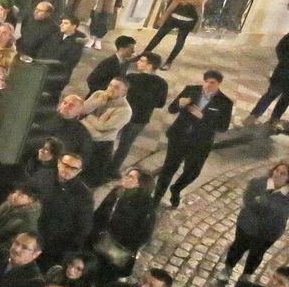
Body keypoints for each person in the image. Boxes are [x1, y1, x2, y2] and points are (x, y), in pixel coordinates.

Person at [156, 69, 233, 208]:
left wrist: (204, 118)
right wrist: (180, 104)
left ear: (218, 84)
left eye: (212, 83)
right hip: (179, 136)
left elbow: (223, 127)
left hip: (200, 143)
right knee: (168, 168)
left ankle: (176, 188)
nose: (208, 85)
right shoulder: (191, 90)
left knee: (192, 172)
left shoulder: (225, 102)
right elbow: (172, 109)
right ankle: (156, 197)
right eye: (206, 81)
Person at [92, 168, 159, 284]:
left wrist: (121, 243)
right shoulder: (117, 192)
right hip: (97, 240)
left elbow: (144, 235)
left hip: (115, 250)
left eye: (130, 177)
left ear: (139, 184)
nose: (125, 177)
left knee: (103, 277)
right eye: (127, 174)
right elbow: (101, 211)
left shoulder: (145, 206)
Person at [143, 0, 216, 69]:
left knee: (180, 41)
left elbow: (200, 0)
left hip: (190, 17)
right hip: (174, 13)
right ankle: (144, 55)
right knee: (159, 35)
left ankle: (169, 62)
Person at [225, 162, 289, 277]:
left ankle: (246, 275)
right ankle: (227, 269)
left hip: (268, 233)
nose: (277, 174)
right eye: (277, 170)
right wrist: (265, 203)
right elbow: (248, 201)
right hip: (247, 226)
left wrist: (262, 202)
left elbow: (280, 213)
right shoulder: (257, 183)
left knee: (256, 255)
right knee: (237, 247)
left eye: (283, 174)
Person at [112, 52, 169, 170]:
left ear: (149, 65)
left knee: (109, 139)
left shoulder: (131, 78)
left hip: (122, 114)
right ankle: (113, 168)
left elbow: (119, 95)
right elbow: (160, 104)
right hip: (140, 119)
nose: (138, 62)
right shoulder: (162, 84)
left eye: (142, 61)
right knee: (125, 145)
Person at [244, 31, 289, 126]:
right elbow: (280, 48)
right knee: (271, 95)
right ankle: (253, 116)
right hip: (283, 73)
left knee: (286, 100)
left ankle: (274, 119)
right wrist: (286, 62)